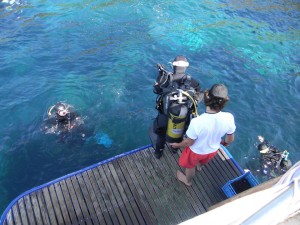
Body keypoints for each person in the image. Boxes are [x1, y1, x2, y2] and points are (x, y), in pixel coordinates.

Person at [170, 84, 236, 186]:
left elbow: (189, 142)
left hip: (195, 152)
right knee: (203, 160)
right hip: (213, 150)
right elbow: (230, 139)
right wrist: (224, 143)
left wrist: (177, 145)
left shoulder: (197, 122)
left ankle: (188, 181)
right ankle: (200, 166)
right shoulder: (229, 117)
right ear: (225, 101)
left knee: (190, 167)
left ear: (207, 97)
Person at [152, 55, 202, 159]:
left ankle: (158, 152)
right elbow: (198, 95)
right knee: (180, 131)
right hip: (182, 116)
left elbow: (156, 90)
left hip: (164, 116)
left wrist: (160, 76)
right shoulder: (193, 82)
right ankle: (175, 149)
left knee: (161, 133)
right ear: (186, 67)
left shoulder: (165, 80)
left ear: (174, 66)